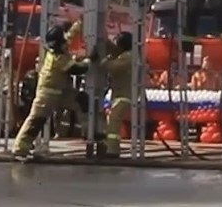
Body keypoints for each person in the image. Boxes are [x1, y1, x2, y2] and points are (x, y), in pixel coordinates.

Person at [12, 22, 89, 158]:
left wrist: (79, 23)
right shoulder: (58, 57)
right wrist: (89, 61)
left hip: (61, 91)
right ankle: (20, 147)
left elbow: (70, 35)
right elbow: (76, 69)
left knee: (81, 100)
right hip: (47, 93)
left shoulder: (60, 45)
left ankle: (89, 133)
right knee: (37, 119)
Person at [97, 30, 133, 158]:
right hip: (119, 94)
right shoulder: (125, 55)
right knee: (110, 120)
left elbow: (112, 67)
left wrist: (102, 60)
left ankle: (112, 151)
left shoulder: (129, 57)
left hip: (125, 95)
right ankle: (109, 147)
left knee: (113, 121)